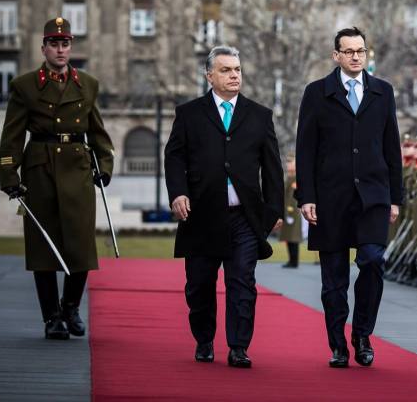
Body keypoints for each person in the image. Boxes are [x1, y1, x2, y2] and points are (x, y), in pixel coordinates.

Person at [165, 45, 284, 366]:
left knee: (242, 281)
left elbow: (273, 169)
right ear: (209, 76)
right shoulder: (189, 114)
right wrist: (177, 192)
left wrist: (273, 212)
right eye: (226, 70)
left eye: (237, 70)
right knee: (199, 286)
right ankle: (204, 340)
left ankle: (238, 347)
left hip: (244, 219)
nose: (234, 75)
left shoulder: (259, 116)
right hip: (201, 216)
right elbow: (174, 157)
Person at [0, 17, 114, 340]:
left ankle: (71, 307)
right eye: (54, 43)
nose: (60, 49)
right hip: (41, 170)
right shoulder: (25, 86)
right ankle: (51, 318)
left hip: (77, 170)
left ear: (70, 47)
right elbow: (12, 136)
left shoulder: (87, 84)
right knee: (43, 248)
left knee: (80, 245)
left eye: (65, 44)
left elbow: (98, 133)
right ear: (44, 48)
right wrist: (9, 173)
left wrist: (104, 165)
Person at [296, 27, 402, 368]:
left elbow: (392, 148)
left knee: (373, 260)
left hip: (373, 195)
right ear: (336, 55)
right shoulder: (317, 93)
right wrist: (306, 197)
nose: (356, 56)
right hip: (330, 198)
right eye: (349, 51)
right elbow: (305, 150)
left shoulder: (382, 92)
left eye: (361, 51)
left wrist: (395, 198)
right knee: (334, 279)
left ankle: (362, 333)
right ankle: (337, 344)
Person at [279, 154, 304, 268]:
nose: (288, 164)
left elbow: (293, 196)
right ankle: (291, 260)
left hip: (293, 211)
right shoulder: (290, 177)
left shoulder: (296, 177)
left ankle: (294, 261)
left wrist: (290, 209)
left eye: (290, 162)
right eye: (287, 162)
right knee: (289, 237)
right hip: (287, 211)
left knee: (293, 237)